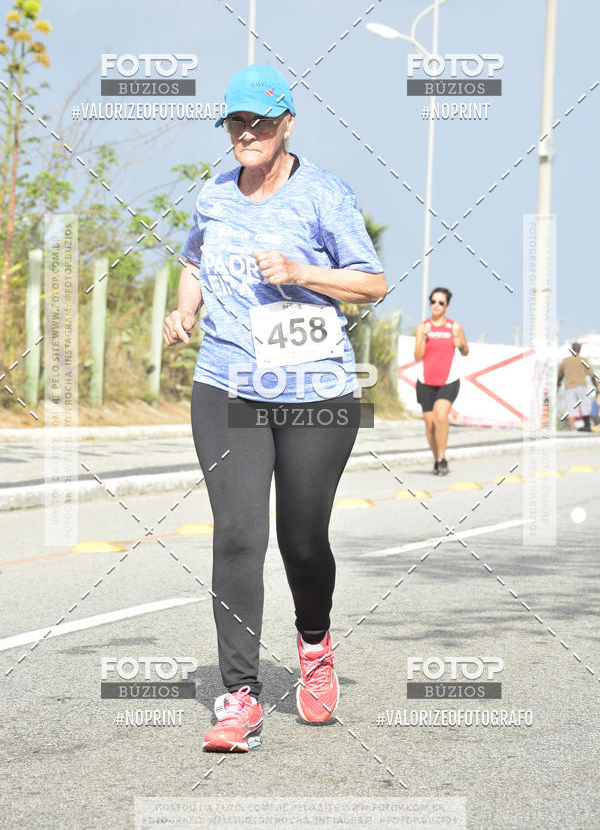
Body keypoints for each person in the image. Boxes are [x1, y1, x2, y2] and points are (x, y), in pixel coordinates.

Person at [163, 64, 387, 753]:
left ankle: (314, 642)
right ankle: (239, 695)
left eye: (262, 121)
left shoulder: (323, 195)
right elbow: (195, 259)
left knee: (301, 539)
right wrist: (183, 308)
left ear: (288, 123)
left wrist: (301, 273)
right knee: (237, 532)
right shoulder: (213, 196)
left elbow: (373, 283)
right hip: (227, 384)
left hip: (316, 393)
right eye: (237, 121)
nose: (249, 133)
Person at [413, 287, 469, 475]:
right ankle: (436, 458)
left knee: (440, 417)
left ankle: (442, 458)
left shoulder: (454, 327)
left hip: (448, 381)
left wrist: (459, 344)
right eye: (433, 301)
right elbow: (417, 356)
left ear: (447, 306)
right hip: (425, 381)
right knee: (429, 423)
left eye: (441, 303)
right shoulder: (423, 327)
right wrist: (423, 337)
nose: (436, 306)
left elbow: (465, 350)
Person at [557, 342, 600, 432]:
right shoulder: (583, 360)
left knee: (571, 408)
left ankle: (572, 430)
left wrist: (558, 385)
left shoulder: (565, 361)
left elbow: (560, 375)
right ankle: (587, 426)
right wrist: (596, 386)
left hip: (569, 387)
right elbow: (592, 374)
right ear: (580, 350)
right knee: (585, 407)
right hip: (581, 386)